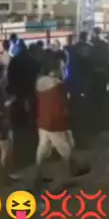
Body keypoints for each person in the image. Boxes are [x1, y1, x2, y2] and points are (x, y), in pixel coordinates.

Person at [34, 51, 76, 185]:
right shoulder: (58, 84)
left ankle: (38, 175)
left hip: (43, 120)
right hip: (56, 122)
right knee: (66, 149)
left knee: (42, 149)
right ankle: (67, 178)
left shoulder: (39, 81)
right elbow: (65, 103)